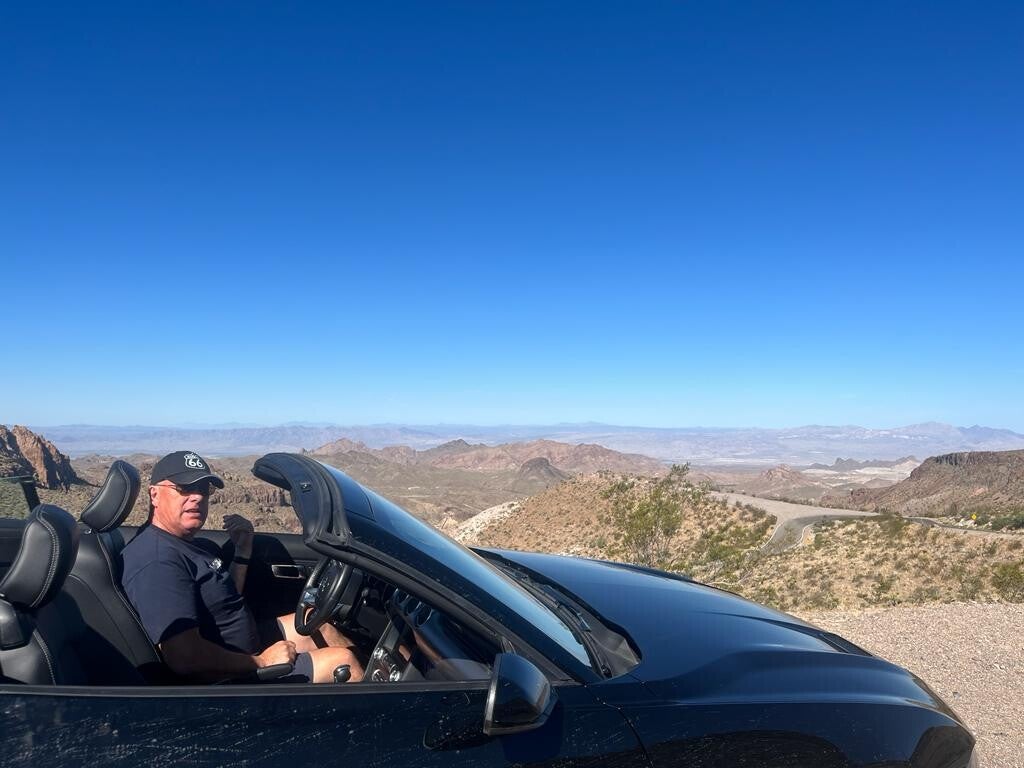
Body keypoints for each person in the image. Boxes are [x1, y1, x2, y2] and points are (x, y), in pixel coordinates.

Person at [121, 450, 364, 684]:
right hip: (230, 678)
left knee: (319, 625)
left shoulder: (185, 544)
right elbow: (184, 657)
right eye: (184, 488)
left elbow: (223, 600)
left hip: (243, 649)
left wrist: (243, 552)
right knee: (344, 662)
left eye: (204, 489)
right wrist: (261, 661)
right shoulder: (157, 560)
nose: (197, 497)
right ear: (154, 495)